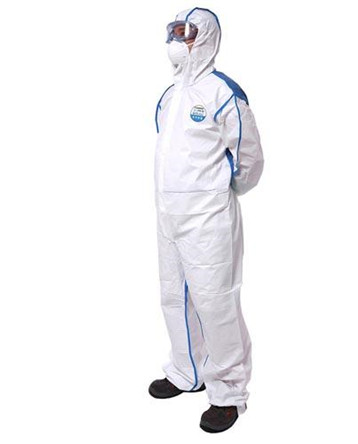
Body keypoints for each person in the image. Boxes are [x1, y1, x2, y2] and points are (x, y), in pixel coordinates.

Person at [148, 7, 264, 434]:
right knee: (173, 295)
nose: (180, 40)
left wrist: (219, 191)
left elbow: (249, 158)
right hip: (168, 213)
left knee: (216, 303)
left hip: (208, 217)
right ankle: (187, 370)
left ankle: (228, 392)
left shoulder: (223, 92)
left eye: (188, 32)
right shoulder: (168, 95)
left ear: (208, 37)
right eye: (175, 32)